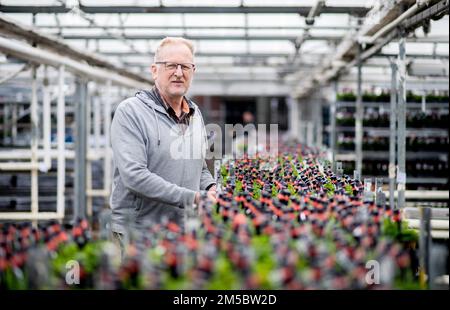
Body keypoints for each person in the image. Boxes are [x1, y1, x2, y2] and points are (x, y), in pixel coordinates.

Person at [110, 37, 216, 252]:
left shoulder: (195, 114)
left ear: (193, 71)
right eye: (171, 65)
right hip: (138, 232)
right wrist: (193, 197)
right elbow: (134, 176)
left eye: (185, 66)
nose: (178, 72)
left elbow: (200, 167)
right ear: (154, 70)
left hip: (182, 229)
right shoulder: (131, 112)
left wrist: (210, 187)